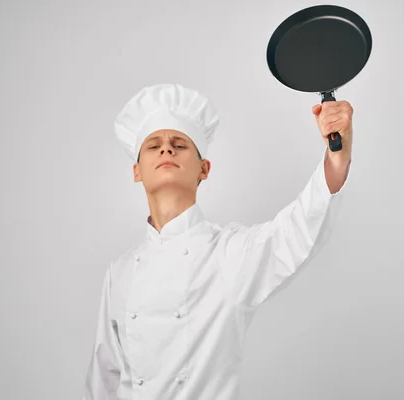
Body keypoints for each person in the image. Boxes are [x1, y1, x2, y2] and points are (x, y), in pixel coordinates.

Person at [82, 83, 353, 399]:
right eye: (153, 146)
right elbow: (104, 378)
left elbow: (297, 231)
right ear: (136, 171)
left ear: (204, 168)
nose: (166, 149)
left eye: (180, 144)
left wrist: (337, 156)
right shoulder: (121, 271)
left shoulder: (229, 254)